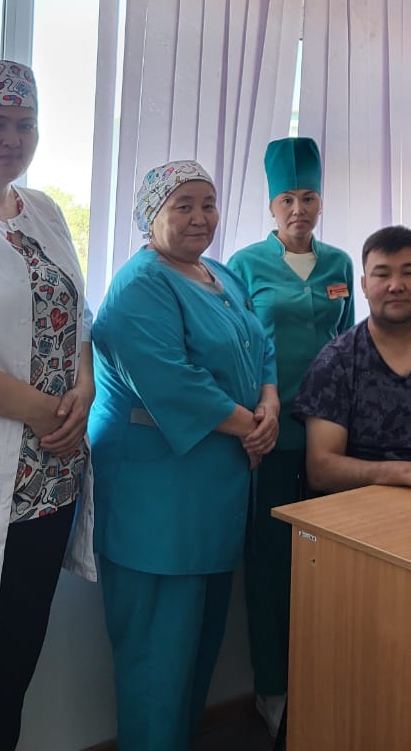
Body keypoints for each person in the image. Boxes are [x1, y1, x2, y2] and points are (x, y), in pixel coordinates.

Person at [89, 161, 279, 751]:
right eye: (183, 205)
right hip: (157, 505)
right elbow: (172, 381)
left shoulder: (218, 274)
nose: (200, 217)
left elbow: (261, 344)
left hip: (213, 497)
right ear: (151, 215)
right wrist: (252, 427)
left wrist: (270, 402)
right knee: (157, 665)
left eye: (208, 203)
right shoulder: (139, 285)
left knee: (196, 655)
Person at [0, 60, 95, 751]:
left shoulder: (46, 211)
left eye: (24, 124)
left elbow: (78, 321)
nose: (11, 138)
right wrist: (38, 409)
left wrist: (85, 389)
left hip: (48, 488)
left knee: (11, 672)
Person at [227, 136, 355, 736]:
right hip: (270, 436)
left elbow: (349, 345)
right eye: (287, 200)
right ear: (272, 206)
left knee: (327, 568)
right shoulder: (244, 265)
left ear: (320, 201)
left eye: (308, 197)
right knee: (271, 566)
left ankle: (323, 681)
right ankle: (273, 688)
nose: (298, 209)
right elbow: (236, 347)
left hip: (330, 438)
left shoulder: (341, 264)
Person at [294, 225, 411, 495]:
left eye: (409, 273)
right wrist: (409, 473)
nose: (396, 286)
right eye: (382, 275)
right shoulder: (336, 362)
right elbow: (321, 470)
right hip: (363, 508)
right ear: (364, 285)